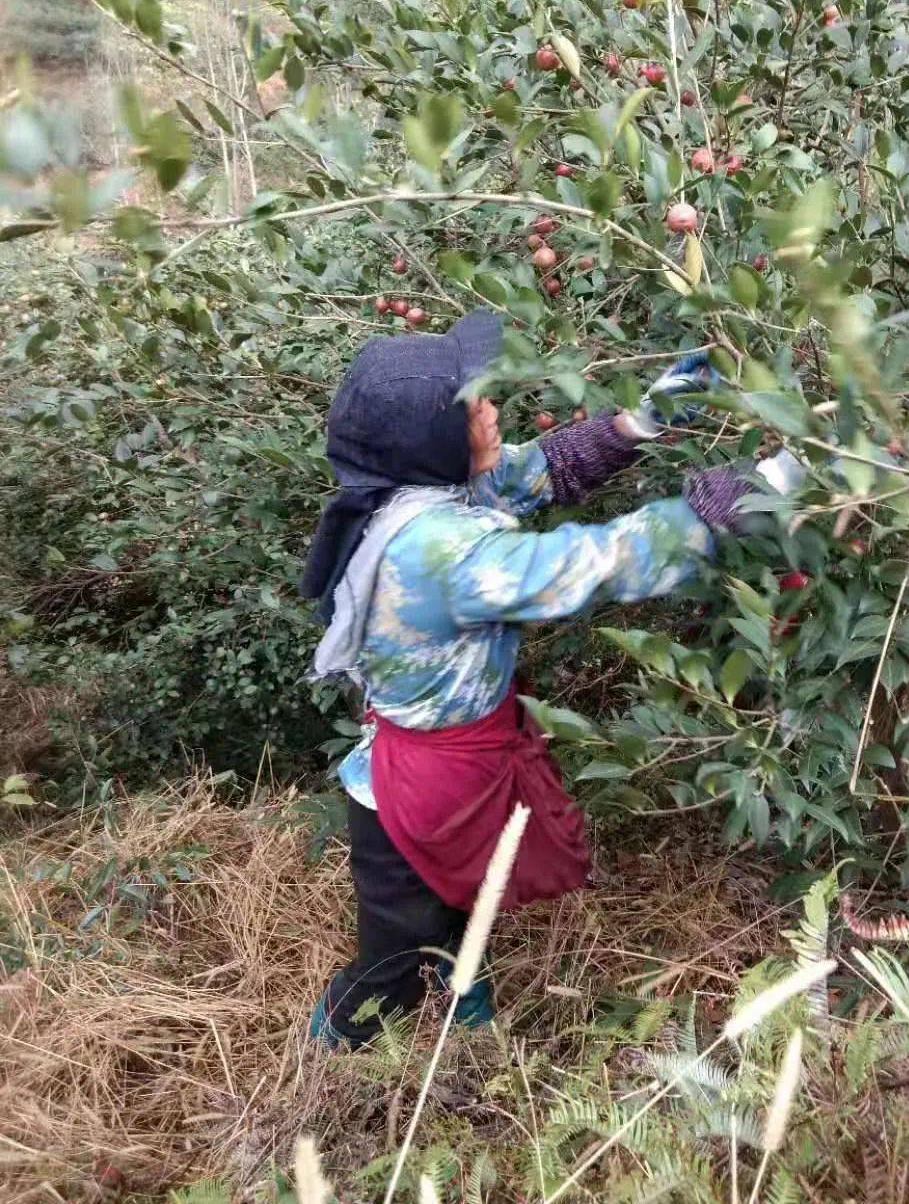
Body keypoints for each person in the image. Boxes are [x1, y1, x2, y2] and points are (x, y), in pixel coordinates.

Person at [302, 309, 800, 1049]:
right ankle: (332, 1048)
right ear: (432, 437)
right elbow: (590, 565)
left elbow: (544, 471)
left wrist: (644, 418)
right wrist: (745, 498)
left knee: (464, 897)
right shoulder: (439, 549)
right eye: (477, 404)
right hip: (410, 791)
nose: (493, 410)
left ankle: (466, 1011)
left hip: (450, 764)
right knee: (391, 963)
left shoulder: (425, 491)